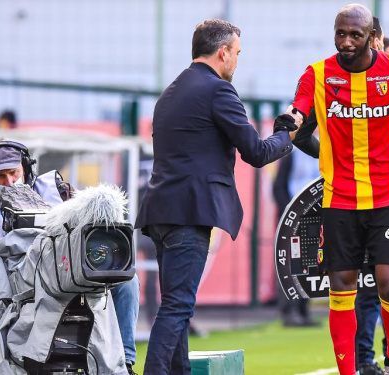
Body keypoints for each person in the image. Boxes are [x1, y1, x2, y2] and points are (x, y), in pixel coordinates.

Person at [285, 4, 389, 375]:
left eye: (354, 35)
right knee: (341, 289)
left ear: (369, 35)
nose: (346, 41)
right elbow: (298, 117)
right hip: (340, 200)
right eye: (340, 33)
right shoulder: (317, 74)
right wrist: (297, 127)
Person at [134, 19, 297, 374]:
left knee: (177, 306)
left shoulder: (171, 92)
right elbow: (255, 152)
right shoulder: (218, 91)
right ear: (222, 52)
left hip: (160, 210)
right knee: (177, 307)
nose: (237, 61)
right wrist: (288, 135)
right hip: (190, 213)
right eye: (237, 53)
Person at [0, 141, 140, 375]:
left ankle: (126, 363)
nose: (9, 181)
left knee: (128, 282)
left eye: (13, 173)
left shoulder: (59, 190)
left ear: (26, 168)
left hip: (70, 277)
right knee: (0, 304)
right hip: (20, 288)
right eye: (0, 176)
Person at [273, 149, 321, 327]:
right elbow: (278, 187)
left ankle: (303, 311)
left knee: (311, 266)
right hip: (294, 217)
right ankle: (289, 312)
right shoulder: (290, 154)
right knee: (289, 266)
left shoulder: (323, 151)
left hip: (314, 216)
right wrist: (289, 215)